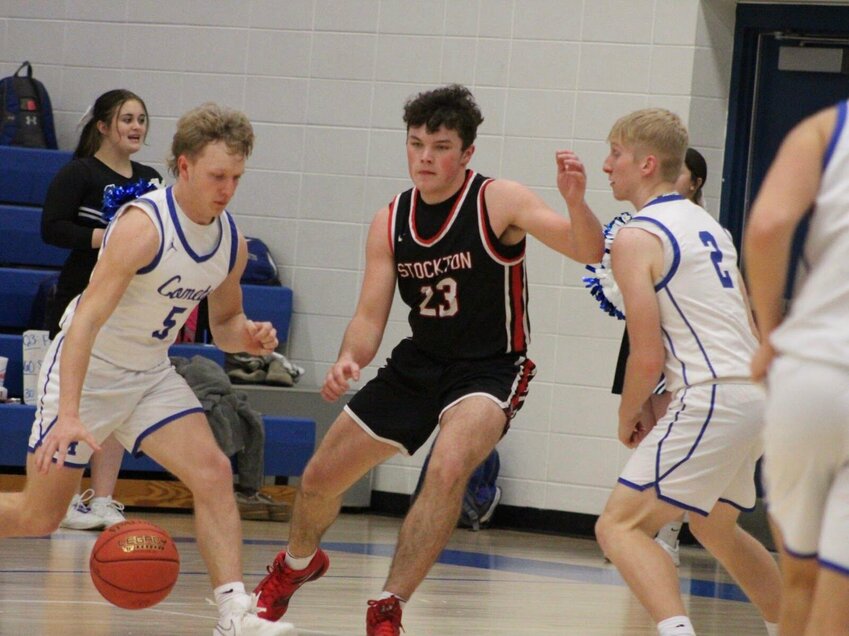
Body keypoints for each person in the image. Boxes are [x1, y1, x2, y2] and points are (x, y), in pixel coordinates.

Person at [252, 84, 604, 635]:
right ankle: (295, 565)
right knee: (320, 478)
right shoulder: (390, 220)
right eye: (416, 144)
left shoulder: (498, 200)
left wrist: (576, 202)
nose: (424, 157)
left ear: (466, 154)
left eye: (440, 146)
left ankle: (388, 605)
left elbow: (587, 250)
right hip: (419, 363)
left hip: (490, 368)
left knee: (446, 468)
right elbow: (370, 316)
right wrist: (350, 358)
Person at [0, 102, 296, 636]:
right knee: (36, 517)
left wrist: (248, 337)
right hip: (88, 372)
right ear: (183, 166)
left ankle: (235, 614)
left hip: (149, 375)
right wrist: (69, 413)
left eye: (235, 177)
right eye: (216, 176)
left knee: (213, 473)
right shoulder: (143, 228)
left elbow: (224, 322)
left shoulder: (230, 240)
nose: (227, 188)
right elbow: (85, 323)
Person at [590, 108, 781, 636]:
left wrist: (629, 413)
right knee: (715, 524)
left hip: (713, 393)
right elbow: (748, 321)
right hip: (757, 394)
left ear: (647, 163)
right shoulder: (710, 226)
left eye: (615, 154)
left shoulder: (637, 236)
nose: (606, 165)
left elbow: (646, 355)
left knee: (620, 526)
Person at [745, 100, 849, 634]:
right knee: (841, 595)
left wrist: (769, 335)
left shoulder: (824, 129)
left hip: (814, 372)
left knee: (800, 584)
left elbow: (767, 227)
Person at [40, 89, 164, 531]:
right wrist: (111, 240)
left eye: (142, 119)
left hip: (132, 308)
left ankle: (104, 499)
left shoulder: (152, 180)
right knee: (80, 400)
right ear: (103, 126)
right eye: (127, 118)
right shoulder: (80, 173)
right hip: (82, 296)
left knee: (117, 404)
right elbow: (51, 228)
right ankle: (65, 497)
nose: (136, 127)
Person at [609, 147, 709, 566]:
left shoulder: (700, 228)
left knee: (672, 432)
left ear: (695, 182)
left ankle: (668, 532)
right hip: (647, 330)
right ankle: (650, 528)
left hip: (682, 342)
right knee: (648, 433)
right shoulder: (642, 228)